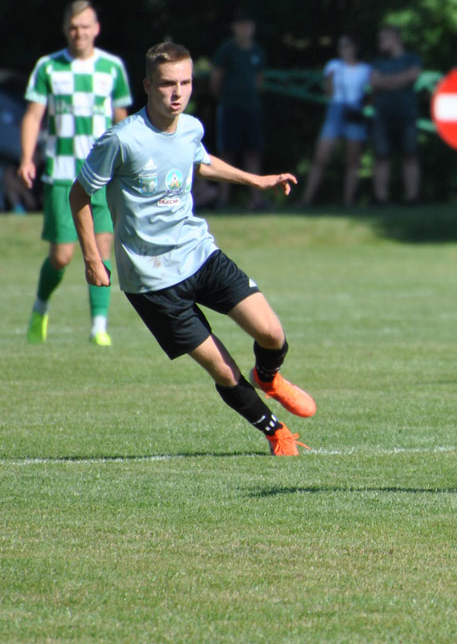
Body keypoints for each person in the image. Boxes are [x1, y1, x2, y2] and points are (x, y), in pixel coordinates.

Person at [70, 41, 315, 456]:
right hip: (151, 281)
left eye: (185, 82)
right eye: (168, 83)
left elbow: (201, 162)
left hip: (199, 255)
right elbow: (79, 195)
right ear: (148, 86)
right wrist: (93, 259)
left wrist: (257, 181)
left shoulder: (191, 127)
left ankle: (268, 377)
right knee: (223, 369)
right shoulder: (122, 139)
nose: (177, 92)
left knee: (272, 333)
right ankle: (277, 433)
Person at [19, 0, 132, 346]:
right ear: (65, 30)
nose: (79, 33)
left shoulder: (112, 68)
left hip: (102, 176)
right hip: (62, 175)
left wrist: (128, 163)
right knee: (62, 255)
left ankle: (99, 327)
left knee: (102, 247)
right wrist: (27, 158)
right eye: (73, 27)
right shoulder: (49, 67)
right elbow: (33, 117)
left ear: (96, 29)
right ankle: (40, 307)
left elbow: (122, 120)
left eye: (85, 26)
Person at [302, 35, 371, 207]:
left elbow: (370, 95)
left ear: (355, 47)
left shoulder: (365, 69)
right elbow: (328, 93)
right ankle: (306, 200)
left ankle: (348, 202)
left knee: (353, 160)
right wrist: (330, 81)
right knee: (320, 158)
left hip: (355, 112)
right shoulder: (333, 65)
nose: (343, 49)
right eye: (341, 46)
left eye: (346, 45)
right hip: (335, 111)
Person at [210, 10, 267, 209]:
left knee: (253, 152)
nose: (245, 30)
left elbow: (259, 81)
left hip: (252, 108)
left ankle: (256, 199)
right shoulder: (227, 51)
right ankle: (223, 199)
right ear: (234, 28)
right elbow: (215, 81)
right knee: (227, 153)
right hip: (230, 107)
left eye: (248, 25)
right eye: (241, 25)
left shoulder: (258, 51)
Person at [369, 25, 423, 205]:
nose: (379, 43)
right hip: (382, 115)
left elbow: (412, 77)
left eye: (383, 38)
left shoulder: (412, 58)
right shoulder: (377, 62)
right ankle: (380, 199)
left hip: (407, 114)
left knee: (410, 155)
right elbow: (374, 82)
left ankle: (412, 198)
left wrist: (385, 81)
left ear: (395, 39)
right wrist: (400, 80)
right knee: (381, 156)